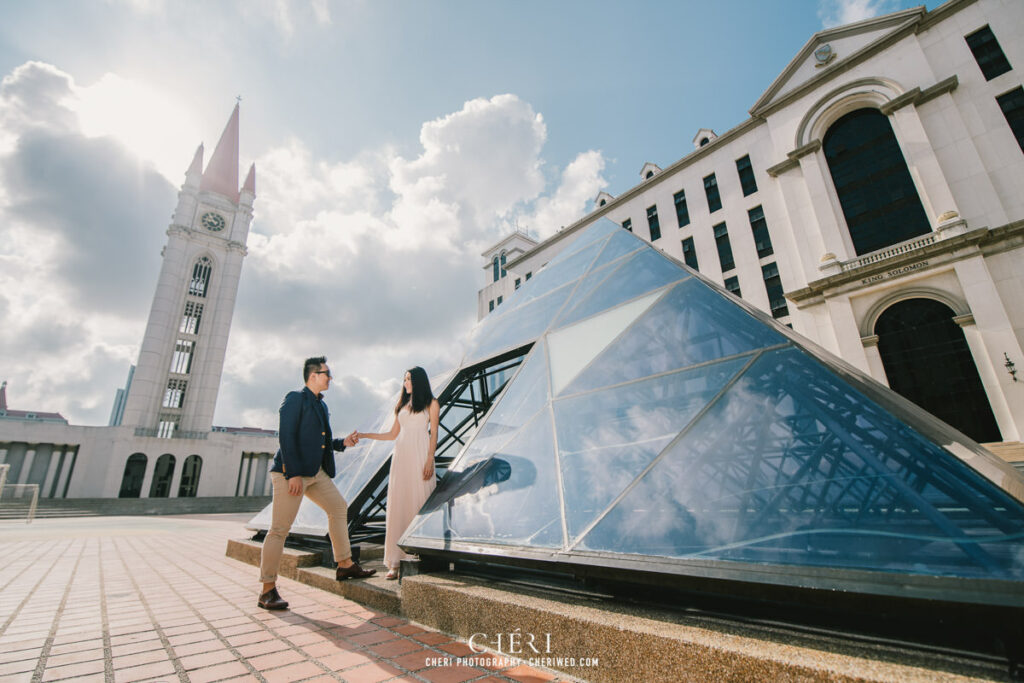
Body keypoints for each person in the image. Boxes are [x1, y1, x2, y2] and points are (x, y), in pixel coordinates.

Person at [258, 356, 376, 611]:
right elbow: (286, 438)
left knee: (338, 508)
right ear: (313, 375)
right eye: (327, 373)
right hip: (291, 473)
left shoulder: (322, 406)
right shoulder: (295, 399)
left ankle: (344, 565)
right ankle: (267, 589)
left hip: (316, 473)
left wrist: (342, 443)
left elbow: (323, 442)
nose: (330, 378)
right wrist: (293, 474)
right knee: (279, 529)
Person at [357, 366, 439, 580]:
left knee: (418, 502)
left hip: (420, 455)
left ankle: (417, 555)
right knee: (399, 504)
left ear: (419, 381)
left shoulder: (432, 403)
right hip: (401, 457)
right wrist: (366, 435)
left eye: (409, 379)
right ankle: (394, 561)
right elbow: (392, 434)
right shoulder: (402, 404)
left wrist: (430, 458)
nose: (405, 383)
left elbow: (434, 435)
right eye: (404, 379)